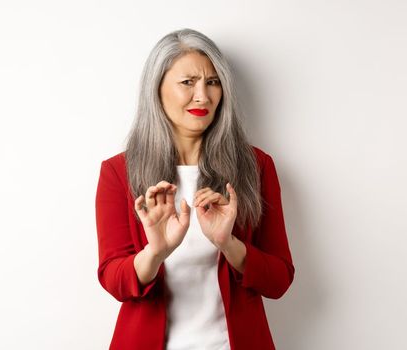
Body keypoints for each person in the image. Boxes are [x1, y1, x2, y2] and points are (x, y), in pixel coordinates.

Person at [94, 28, 294, 350]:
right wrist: (155, 252)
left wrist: (229, 244)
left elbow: (279, 279)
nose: (203, 96)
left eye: (212, 82)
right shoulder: (119, 172)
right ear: (157, 89)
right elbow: (114, 280)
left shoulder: (256, 166)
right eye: (188, 82)